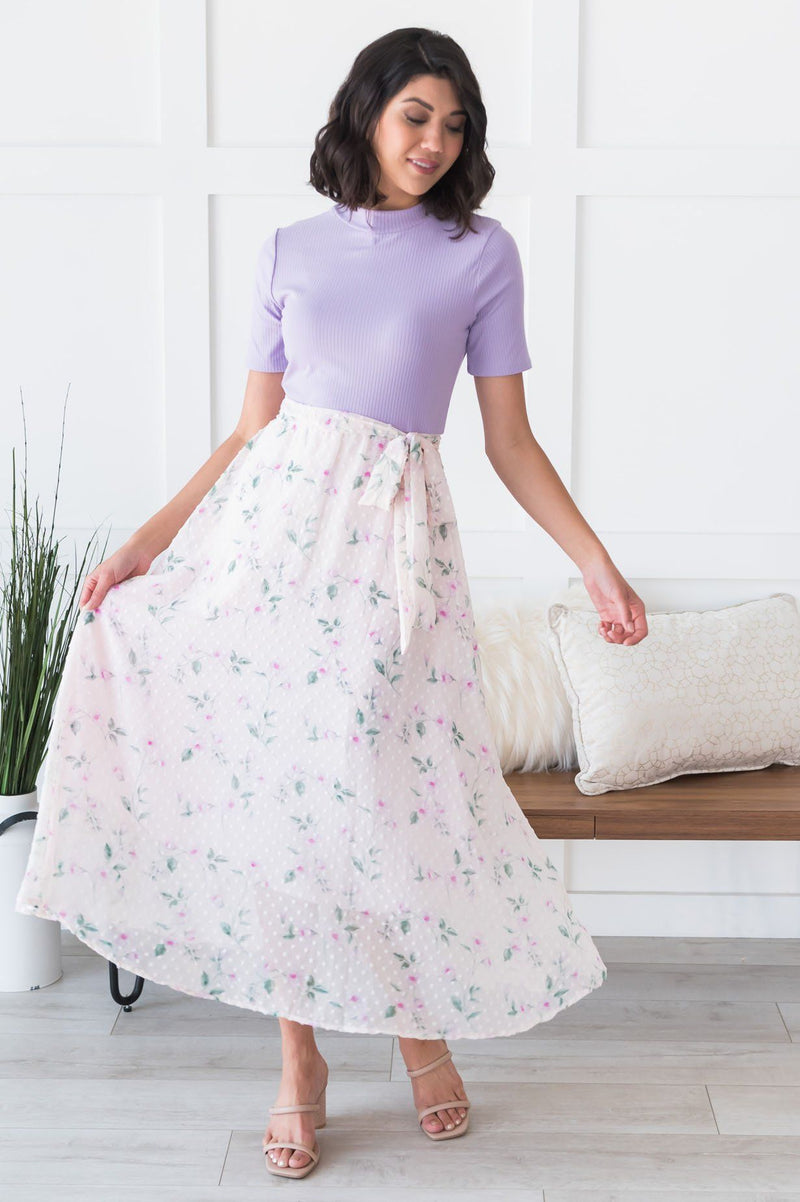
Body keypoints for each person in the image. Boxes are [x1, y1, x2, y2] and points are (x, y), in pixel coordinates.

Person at [15, 27, 648, 1183]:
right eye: (415, 115)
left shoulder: (479, 253)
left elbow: (507, 441)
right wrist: (149, 541)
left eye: (453, 124)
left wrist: (595, 564)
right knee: (286, 796)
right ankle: (298, 1058)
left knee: (380, 787)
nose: (434, 140)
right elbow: (252, 431)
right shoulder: (288, 249)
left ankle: (416, 1026)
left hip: (394, 556)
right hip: (270, 548)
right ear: (365, 112)